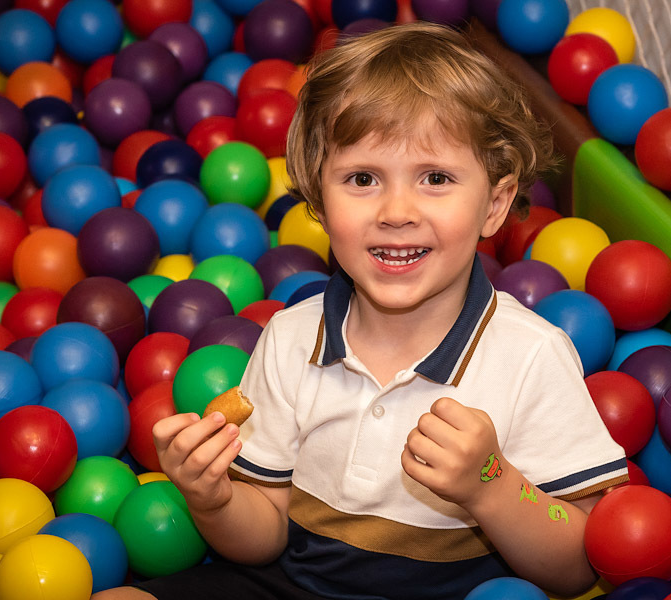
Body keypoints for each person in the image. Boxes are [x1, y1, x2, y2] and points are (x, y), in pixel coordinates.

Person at [94, 21, 627, 600]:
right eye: (363, 178)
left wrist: (490, 486)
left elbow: (577, 565)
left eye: (436, 178)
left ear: (495, 205)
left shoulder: (530, 357)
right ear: (319, 199)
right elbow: (265, 537)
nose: (397, 211)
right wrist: (214, 498)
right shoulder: (292, 337)